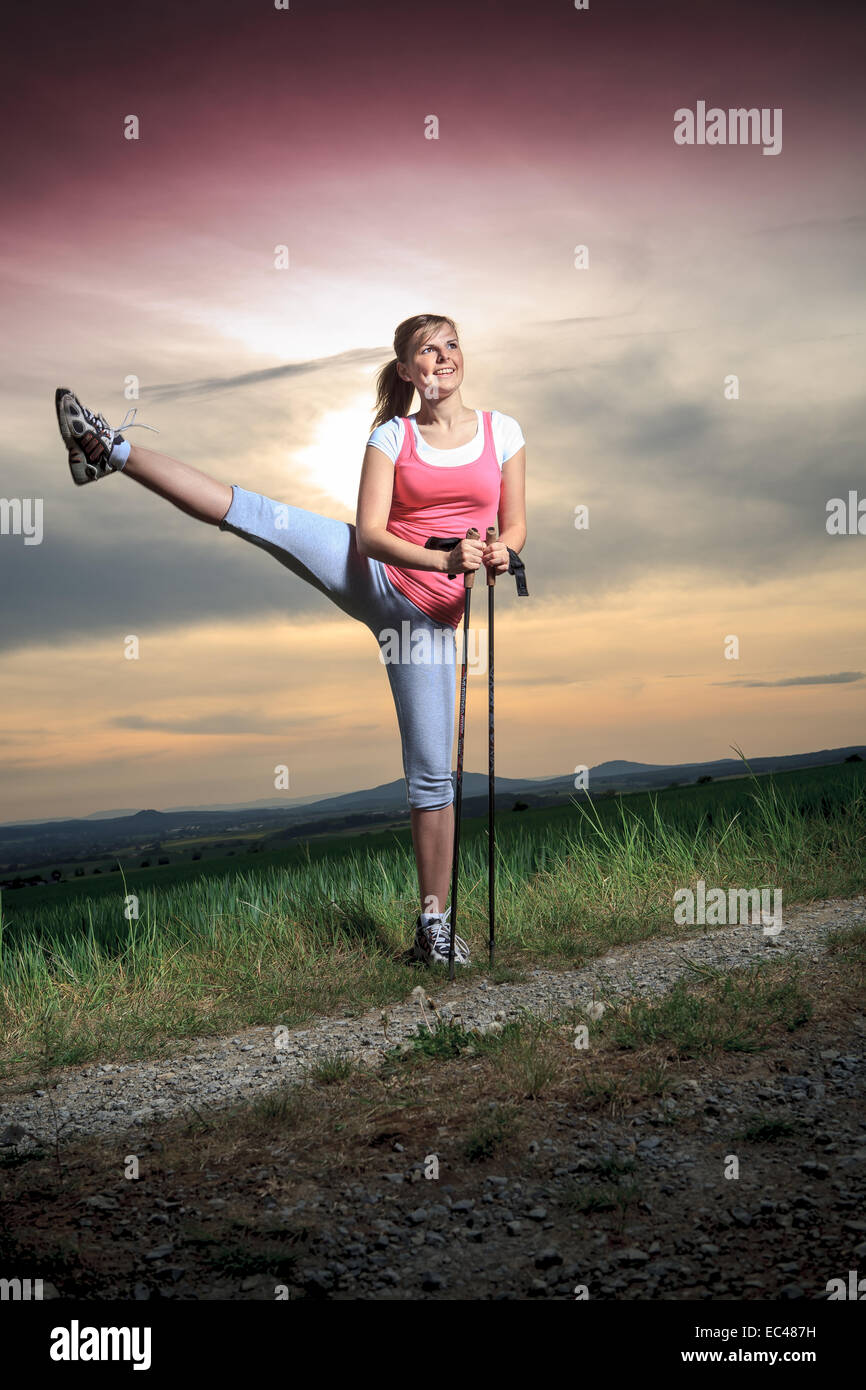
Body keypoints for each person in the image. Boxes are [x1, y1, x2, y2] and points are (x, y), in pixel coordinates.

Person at [54, 313, 527, 965]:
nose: (442, 358)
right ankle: (107, 450)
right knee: (254, 513)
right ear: (406, 371)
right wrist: (446, 561)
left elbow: (516, 525)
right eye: (426, 350)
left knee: (433, 779)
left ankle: (433, 929)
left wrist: (502, 554)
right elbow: (367, 536)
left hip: (429, 625)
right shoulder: (391, 438)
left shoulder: (504, 432)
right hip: (379, 576)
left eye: (451, 345)